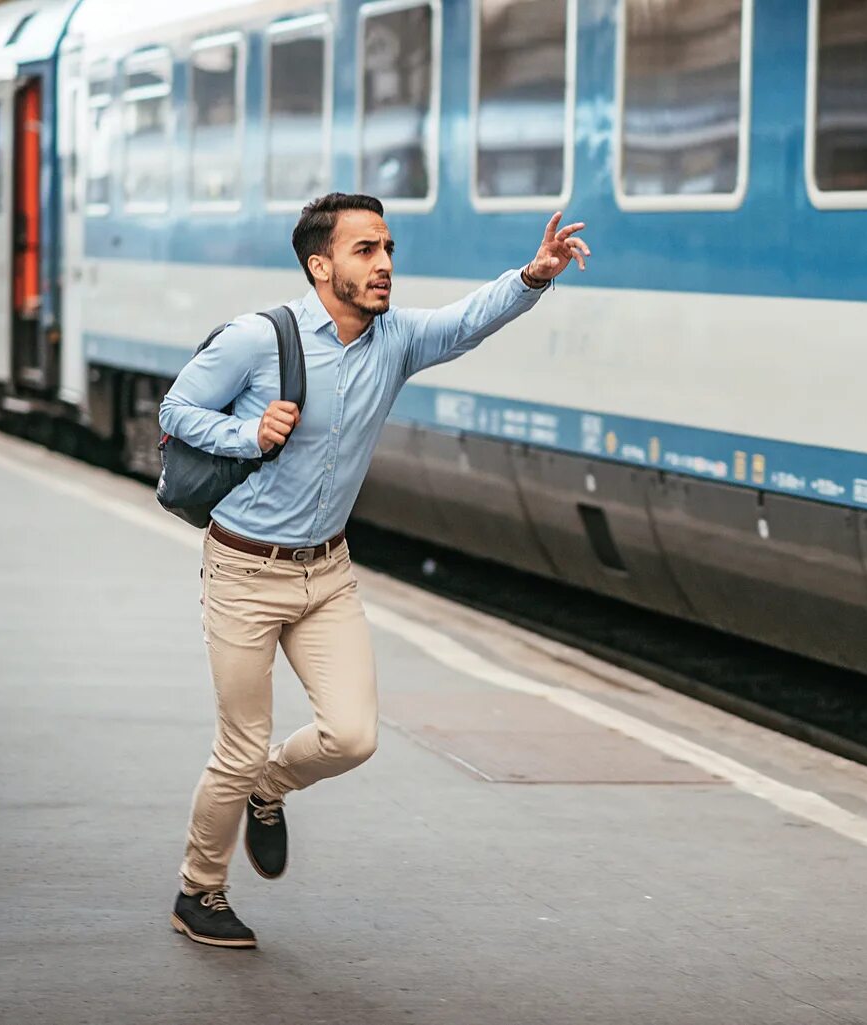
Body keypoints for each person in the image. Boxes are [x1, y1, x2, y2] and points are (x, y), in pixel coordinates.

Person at [157, 193, 590, 949]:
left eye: (387, 247)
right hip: (244, 572)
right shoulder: (261, 338)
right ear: (320, 265)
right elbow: (176, 407)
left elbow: (464, 322)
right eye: (365, 250)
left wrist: (533, 275)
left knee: (353, 736)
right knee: (239, 742)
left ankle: (271, 788)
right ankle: (199, 890)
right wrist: (245, 430)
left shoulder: (396, 340)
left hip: (327, 574)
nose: (384, 263)